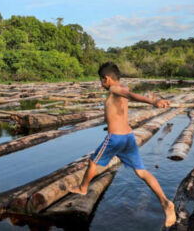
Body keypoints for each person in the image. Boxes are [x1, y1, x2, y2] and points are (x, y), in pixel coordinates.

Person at [67, 62, 176, 227]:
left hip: (115, 139)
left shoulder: (114, 89)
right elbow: (128, 94)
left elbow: (130, 94)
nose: (100, 84)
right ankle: (165, 202)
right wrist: (155, 100)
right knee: (142, 172)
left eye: (101, 80)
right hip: (128, 137)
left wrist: (152, 103)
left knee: (92, 162)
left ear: (107, 79)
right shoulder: (121, 89)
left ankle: (83, 188)